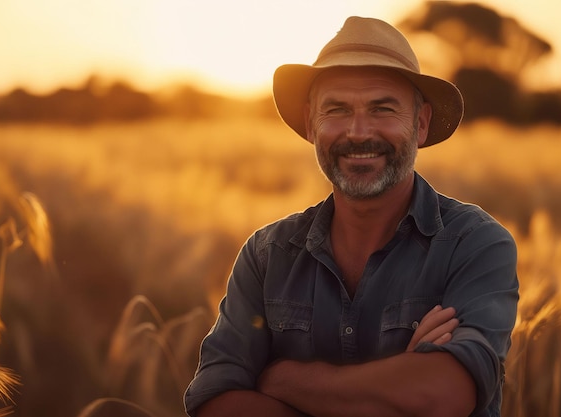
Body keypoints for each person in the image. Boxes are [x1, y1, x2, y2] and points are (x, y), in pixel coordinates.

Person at [184, 16, 519, 417]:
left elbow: (443, 396)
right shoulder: (267, 256)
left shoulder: (475, 244)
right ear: (311, 124)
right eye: (337, 109)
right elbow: (215, 403)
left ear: (422, 124)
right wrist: (398, 381)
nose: (358, 132)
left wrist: (283, 380)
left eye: (382, 108)